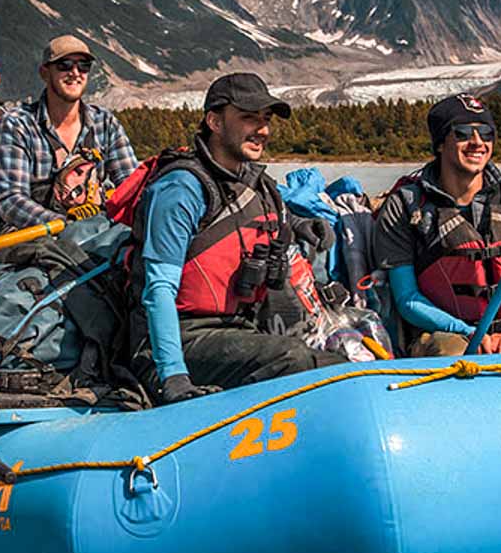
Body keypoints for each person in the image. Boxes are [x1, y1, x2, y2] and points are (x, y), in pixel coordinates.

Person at [127, 73, 343, 404]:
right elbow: (159, 290)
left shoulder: (256, 183)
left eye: (266, 119)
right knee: (294, 360)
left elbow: (259, 218)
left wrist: (300, 225)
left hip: (239, 330)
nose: (263, 130)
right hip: (177, 340)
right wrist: (173, 376)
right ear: (214, 120)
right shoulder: (181, 189)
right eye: (248, 118)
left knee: (341, 368)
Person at [371, 93, 501, 357]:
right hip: (447, 334)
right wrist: (465, 330)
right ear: (440, 143)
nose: (477, 143)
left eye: (486, 133)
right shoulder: (404, 208)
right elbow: (407, 299)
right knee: (447, 349)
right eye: (462, 133)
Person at [0, 34, 137, 230]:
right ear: (44, 73)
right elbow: (10, 200)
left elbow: (131, 185)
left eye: (83, 65)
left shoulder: (105, 123)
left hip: (93, 230)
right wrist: (67, 225)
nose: (75, 72)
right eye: (64, 65)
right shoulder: (17, 125)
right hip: (31, 234)